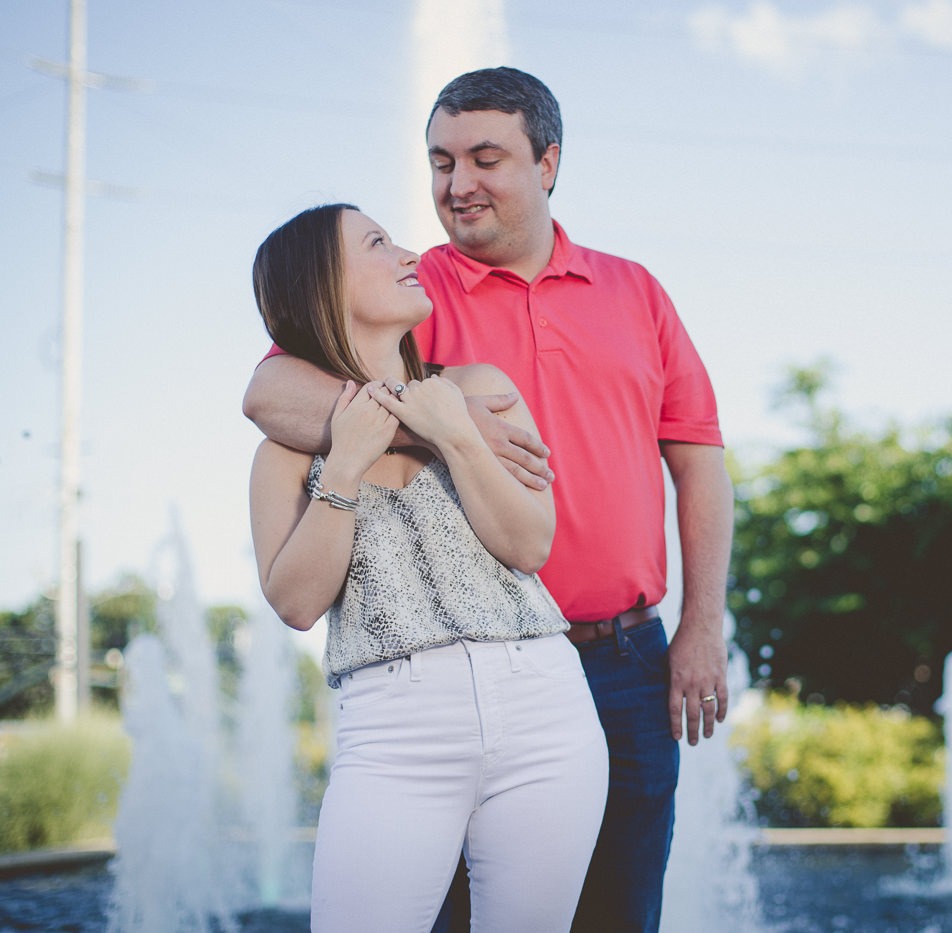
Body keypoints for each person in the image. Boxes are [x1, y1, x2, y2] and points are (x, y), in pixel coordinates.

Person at [244, 67, 734, 932]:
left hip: (623, 660)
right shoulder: (408, 293)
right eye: (439, 162)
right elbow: (269, 394)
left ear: (547, 163)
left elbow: (698, 460)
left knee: (619, 914)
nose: (455, 184)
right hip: (451, 670)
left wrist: (701, 624)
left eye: (484, 158)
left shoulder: (636, 291)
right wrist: (431, 420)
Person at [248, 202, 608, 932]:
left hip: (544, 704)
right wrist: (343, 466)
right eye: (378, 243)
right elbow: (295, 602)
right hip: (392, 728)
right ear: (321, 287)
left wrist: (457, 436)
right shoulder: (285, 448)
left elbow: (529, 545)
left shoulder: (484, 392)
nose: (411, 251)